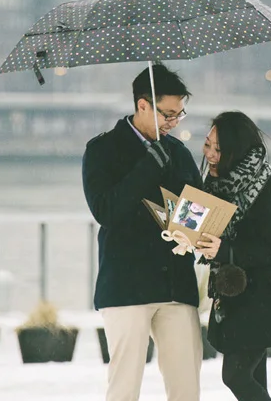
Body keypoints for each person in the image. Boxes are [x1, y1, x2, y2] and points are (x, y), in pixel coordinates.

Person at [82, 63, 203, 401]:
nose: (173, 123)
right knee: (124, 387)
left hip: (175, 282)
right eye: (167, 114)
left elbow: (196, 210)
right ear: (142, 105)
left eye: (179, 115)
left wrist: (197, 226)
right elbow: (106, 210)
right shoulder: (101, 149)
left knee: (186, 386)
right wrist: (149, 164)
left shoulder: (178, 151)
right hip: (125, 285)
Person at [195, 111, 271, 401]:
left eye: (218, 149)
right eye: (207, 144)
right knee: (253, 377)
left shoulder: (269, 188)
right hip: (237, 295)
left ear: (236, 151)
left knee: (234, 376)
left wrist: (225, 250)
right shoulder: (215, 184)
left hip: (266, 295)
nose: (209, 153)